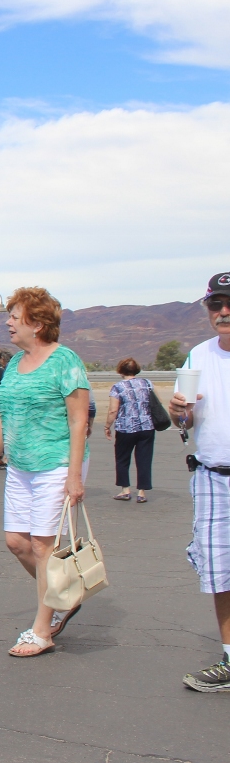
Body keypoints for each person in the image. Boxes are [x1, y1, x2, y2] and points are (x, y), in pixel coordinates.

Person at [0, 287, 91, 658]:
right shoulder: (14, 365)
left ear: (37, 323)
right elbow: (7, 420)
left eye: (14, 316)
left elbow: (79, 421)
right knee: (17, 543)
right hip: (20, 466)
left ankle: (42, 630)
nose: (8, 323)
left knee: (43, 546)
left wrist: (74, 475)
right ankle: (63, 593)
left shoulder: (64, 360)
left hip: (56, 463)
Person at [172, 272, 230, 692]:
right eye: (216, 304)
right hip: (212, 476)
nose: (224, 311)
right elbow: (185, 418)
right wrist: (180, 412)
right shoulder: (198, 355)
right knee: (219, 569)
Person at [105, 357, 154, 503]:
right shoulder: (147, 383)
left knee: (122, 458)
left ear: (121, 370)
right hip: (146, 426)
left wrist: (107, 426)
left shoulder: (118, 387)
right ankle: (142, 492)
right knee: (144, 459)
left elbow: (113, 410)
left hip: (126, 428)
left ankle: (125, 489)